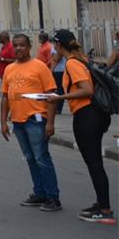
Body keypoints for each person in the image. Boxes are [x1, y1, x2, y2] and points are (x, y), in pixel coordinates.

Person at [46, 30, 114, 224]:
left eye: (54, 47)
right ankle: (101, 203)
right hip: (93, 116)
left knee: (94, 163)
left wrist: (60, 97)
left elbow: (87, 89)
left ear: (59, 46)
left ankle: (105, 210)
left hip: (87, 115)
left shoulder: (73, 63)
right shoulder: (80, 60)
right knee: (94, 163)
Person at [0, 34, 60, 212]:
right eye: (16, 45)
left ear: (29, 47)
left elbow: (52, 96)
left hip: (36, 119)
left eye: (22, 45)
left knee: (42, 158)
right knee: (31, 159)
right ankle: (39, 193)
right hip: (17, 121)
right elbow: (5, 97)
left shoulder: (40, 67)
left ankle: (53, 197)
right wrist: (3, 122)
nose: (18, 48)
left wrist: (50, 123)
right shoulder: (9, 69)